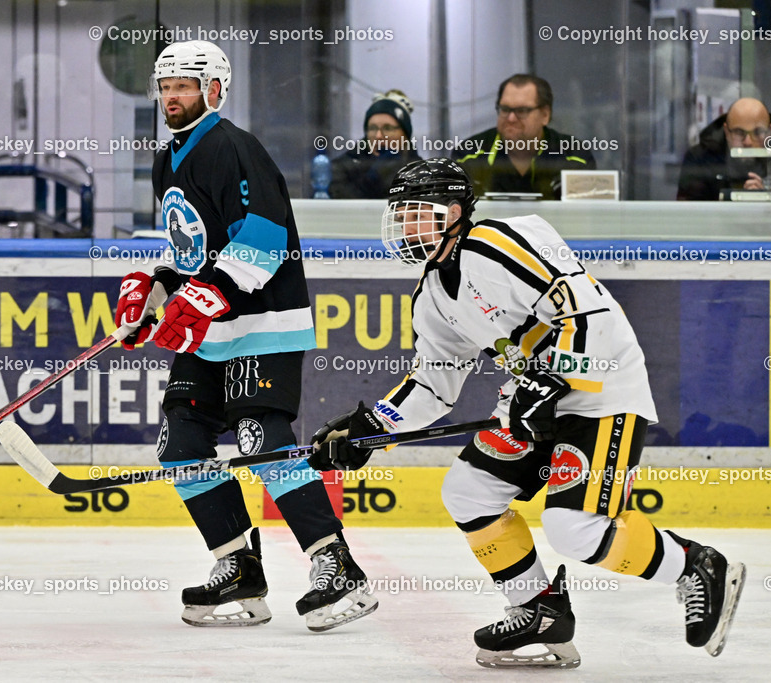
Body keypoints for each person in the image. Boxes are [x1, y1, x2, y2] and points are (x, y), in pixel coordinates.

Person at [308, 158, 746, 668]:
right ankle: (539, 609)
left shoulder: (499, 243)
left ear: (452, 212)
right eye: (400, 214)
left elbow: (585, 309)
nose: (404, 226)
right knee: (469, 490)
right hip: (533, 403)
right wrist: (369, 429)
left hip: (600, 390)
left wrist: (550, 378)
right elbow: (433, 384)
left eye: (415, 213)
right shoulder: (431, 297)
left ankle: (696, 567)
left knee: (574, 530)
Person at [114, 40, 377, 632]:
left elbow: (263, 236)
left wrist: (204, 296)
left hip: (263, 323)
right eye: (165, 87)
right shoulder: (168, 157)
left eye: (183, 85)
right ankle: (238, 569)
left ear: (213, 89)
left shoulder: (234, 147)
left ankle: (336, 568)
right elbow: (191, 248)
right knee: (181, 445)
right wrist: (156, 290)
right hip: (209, 330)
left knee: (261, 438)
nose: (171, 97)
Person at [454, 74, 595, 198]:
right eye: (505, 109)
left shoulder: (575, 155)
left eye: (522, 110)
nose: (511, 118)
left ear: (545, 115)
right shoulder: (469, 154)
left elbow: (588, 218)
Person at [677, 97, 771, 200]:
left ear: (769, 132)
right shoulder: (701, 159)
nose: (748, 142)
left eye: (758, 132)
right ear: (727, 132)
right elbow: (691, 216)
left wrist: (770, 199)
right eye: (739, 132)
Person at [328, 89, 421, 198]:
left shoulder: (420, 172)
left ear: (404, 135)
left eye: (388, 128)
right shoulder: (341, 168)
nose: (378, 136)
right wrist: (373, 178)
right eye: (372, 128)